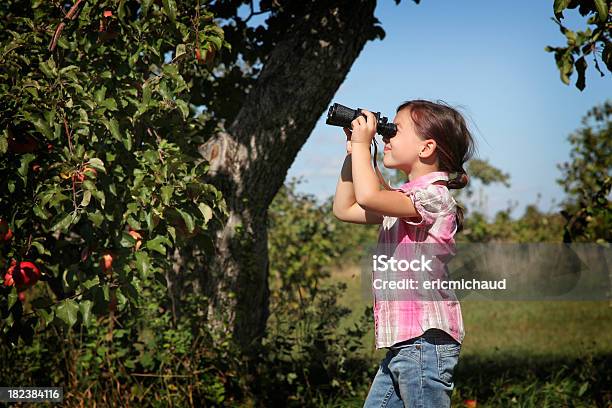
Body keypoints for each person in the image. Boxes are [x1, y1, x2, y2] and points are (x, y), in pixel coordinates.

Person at [332, 99, 476, 407]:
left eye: (394, 131)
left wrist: (362, 145)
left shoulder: (434, 197)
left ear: (426, 148)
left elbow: (369, 196)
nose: (385, 137)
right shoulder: (401, 201)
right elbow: (344, 209)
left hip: (425, 341)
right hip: (404, 344)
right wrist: (352, 153)